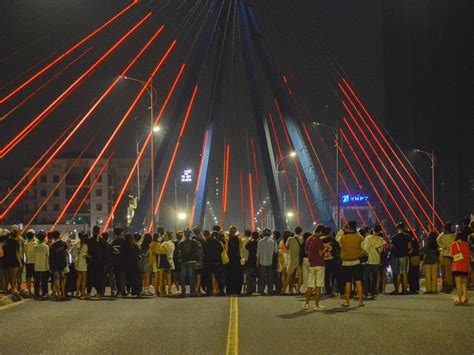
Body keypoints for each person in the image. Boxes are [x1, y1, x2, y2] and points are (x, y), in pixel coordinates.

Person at [337, 221, 365, 307]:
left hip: (346, 263)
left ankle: (347, 301)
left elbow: (337, 237)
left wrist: (342, 229)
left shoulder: (343, 238)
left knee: (348, 283)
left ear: (348, 227)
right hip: (356, 261)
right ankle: (360, 302)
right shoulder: (359, 237)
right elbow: (363, 246)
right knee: (358, 282)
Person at [304, 225, 326, 310]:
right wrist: (325, 251)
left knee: (310, 284)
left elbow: (306, 251)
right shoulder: (319, 241)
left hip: (311, 263)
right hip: (319, 263)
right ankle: (316, 304)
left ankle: (306, 303)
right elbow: (320, 254)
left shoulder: (308, 239)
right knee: (318, 285)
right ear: (320, 232)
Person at [362, 225, 385, 299]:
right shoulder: (381, 239)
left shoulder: (368, 238)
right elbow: (381, 250)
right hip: (376, 260)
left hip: (369, 261)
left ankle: (365, 293)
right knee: (374, 278)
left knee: (366, 277)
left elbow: (365, 249)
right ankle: (373, 293)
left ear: (373, 230)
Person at [390, 223, 412, 295]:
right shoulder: (408, 236)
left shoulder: (394, 237)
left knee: (398, 273)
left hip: (397, 256)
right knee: (405, 273)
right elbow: (409, 247)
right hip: (405, 255)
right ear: (403, 228)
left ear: (397, 229)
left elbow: (392, 247)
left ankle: (397, 290)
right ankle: (405, 290)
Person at [177, 229, 199, 296]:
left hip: (184, 261)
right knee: (191, 276)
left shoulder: (181, 243)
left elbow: (178, 253)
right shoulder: (194, 242)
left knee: (183, 276)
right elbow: (196, 251)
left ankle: (184, 291)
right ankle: (192, 291)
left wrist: (180, 259)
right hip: (191, 261)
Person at [86, 225, 107, 298]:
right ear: (99, 231)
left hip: (92, 262)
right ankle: (98, 293)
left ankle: (88, 292)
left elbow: (87, 252)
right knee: (99, 278)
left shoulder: (90, 241)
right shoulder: (103, 241)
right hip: (100, 262)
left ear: (93, 231)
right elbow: (105, 253)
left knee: (90, 278)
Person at [321, 227, 342, 297]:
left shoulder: (321, 241)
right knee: (338, 275)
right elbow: (338, 248)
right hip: (333, 260)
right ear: (329, 233)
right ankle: (341, 291)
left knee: (326, 276)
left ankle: (328, 291)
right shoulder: (332, 240)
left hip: (325, 260)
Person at [450, 232, 470, 304]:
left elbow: (452, 255)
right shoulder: (466, 245)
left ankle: (460, 299)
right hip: (465, 266)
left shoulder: (454, 244)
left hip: (457, 266)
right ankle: (465, 297)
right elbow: (468, 257)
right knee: (464, 283)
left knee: (458, 283)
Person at [256, 228, 278, 295]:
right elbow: (276, 251)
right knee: (270, 277)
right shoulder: (273, 242)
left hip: (262, 261)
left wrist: (257, 262)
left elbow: (258, 253)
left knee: (262, 277)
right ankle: (270, 290)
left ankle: (261, 290)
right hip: (270, 262)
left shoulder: (260, 241)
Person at [283, 227, 303, 294]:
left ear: (295, 231)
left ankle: (284, 290)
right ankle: (298, 290)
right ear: (301, 232)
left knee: (288, 275)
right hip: (299, 260)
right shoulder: (302, 239)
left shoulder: (290, 239)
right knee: (300, 276)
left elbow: (286, 246)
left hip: (292, 259)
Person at [203, 231, 224, 296]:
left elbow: (204, 251)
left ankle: (209, 291)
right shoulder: (217, 242)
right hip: (216, 261)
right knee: (218, 277)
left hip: (208, 262)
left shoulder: (205, 243)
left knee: (208, 277)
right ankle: (221, 291)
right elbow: (221, 250)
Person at [49, 230, 68, 300]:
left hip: (55, 264)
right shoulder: (64, 244)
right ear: (59, 235)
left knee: (56, 279)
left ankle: (58, 294)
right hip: (62, 263)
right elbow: (66, 253)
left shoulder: (52, 246)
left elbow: (50, 257)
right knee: (62, 279)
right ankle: (63, 294)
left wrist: (50, 266)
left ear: (53, 237)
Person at [437, 222, 456, 293]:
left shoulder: (442, 234)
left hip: (444, 254)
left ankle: (445, 286)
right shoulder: (453, 235)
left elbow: (437, 240)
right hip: (452, 255)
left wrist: (442, 246)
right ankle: (451, 285)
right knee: (450, 271)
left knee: (444, 271)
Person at [226, 226, 243, 295]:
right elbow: (240, 249)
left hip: (229, 258)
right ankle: (237, 290)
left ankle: (229, 290)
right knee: (237, 274)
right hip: (236, 258)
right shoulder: (239, 239)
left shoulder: (227, 238)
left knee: (229, 274)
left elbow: (226, 249)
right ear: (236, 231)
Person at [3, 229, 21, 294]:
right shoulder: (16, 242)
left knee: (10, 276)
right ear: (16, 235)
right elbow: (17, 253)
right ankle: (14, 288)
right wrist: (20, 262)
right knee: (14, 276)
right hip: (15, 260)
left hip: (8, 260)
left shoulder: (6, 241)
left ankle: (10, 288)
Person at [33, 231, 49, 300]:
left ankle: (36, 293)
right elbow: (48, 256)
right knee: (44, 281)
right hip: (44, 265)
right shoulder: (46, 246)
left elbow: (34, 255)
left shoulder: (35, 246)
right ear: (44, 238)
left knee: (37, 280)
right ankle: (44, 293)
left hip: (36, 265)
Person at [110, 228, 126, 297]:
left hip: (115, 262)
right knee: (123, 276)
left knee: (117, 277)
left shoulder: (113, 243)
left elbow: (110, 253)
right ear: (121, 233)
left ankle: (118, 290)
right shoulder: (124, 242)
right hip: (123, 262)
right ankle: (123, 291)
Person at [74, 233, 89, 299]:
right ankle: (83, 293)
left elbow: (73, 252)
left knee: (78, 278)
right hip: (83, 263)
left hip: (77, 262)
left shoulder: (78, 244)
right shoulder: (85, 246)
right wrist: (89, 256)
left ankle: (77, 292)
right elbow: (84, 255)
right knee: (84, 279)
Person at [23, 229, 37, 296]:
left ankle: (29, 291)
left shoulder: (25, 244)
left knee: (28, 278)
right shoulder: (35, 243)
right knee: (35, 278)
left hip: (28, 262)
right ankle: (34, 291)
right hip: (34, 262)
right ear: (33, 236)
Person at [162, 232, 175, 296]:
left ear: (168, 237)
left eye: (165, 235)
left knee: (164, 277)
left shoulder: (165, 243)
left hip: (165, 261)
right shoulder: (172, 244)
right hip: (171, 260)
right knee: (169, 277)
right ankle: (169, 291)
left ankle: (164, 291)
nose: (164, 237)